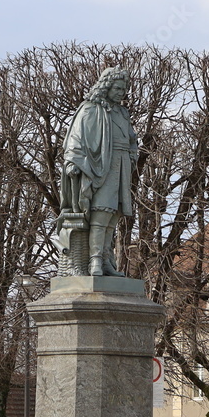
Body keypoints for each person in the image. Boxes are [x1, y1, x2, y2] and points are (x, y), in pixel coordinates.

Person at [59, 66, 138, 276]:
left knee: (114, 215)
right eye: (118, 88)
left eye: (124, 89)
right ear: (106, 87)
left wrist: (132, 152)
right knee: (102, 212)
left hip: (122, 164)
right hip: (101, 164)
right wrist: (72, 161)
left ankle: (105, 260)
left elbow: (131, 139)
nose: (121, 93)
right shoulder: (91, 108)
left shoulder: (122, 112)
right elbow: (76, 137)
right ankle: (94, 260)